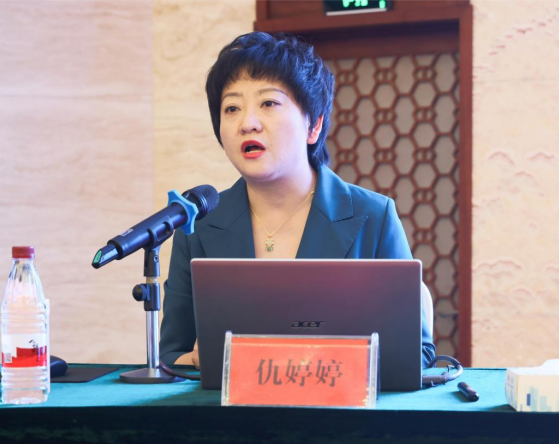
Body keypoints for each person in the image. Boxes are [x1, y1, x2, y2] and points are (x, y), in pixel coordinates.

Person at [159, 31, 436, 369]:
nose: (247, 123)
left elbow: (417, 355)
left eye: (268, 103)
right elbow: (170, 356)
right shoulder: (198, 226)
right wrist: (195, 359)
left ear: (313, 126)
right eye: (231, 108)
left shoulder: (374, 216)